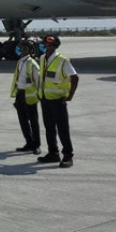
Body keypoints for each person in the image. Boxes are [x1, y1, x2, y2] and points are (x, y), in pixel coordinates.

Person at [36, 35, 79, 168]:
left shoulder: (62, 60)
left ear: (53, 46)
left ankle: (68, 155)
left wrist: (70, 95)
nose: (43, 46)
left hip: (58, 99)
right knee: (49, 127)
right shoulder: (43, 58)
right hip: (45, 98)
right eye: (43, 44)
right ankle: (53, 153)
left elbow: (75, 78)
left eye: (46, 45)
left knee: (62, 128)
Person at [11, 40, 41, 154]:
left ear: (28, 50)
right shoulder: (20, 62)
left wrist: (39, 95)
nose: (20, 50)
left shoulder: (32, 64)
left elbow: (38, 81)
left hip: (30, 95)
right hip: (20, 94)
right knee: (23, 120)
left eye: (22, 48)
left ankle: (36, 145)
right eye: (20, 48)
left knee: (33, 121)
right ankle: (29, 142)